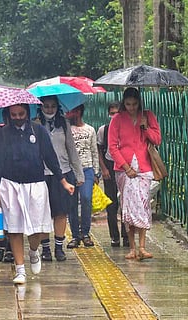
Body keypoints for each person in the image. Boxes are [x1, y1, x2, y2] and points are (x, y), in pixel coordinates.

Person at [0, 103, 75, 284]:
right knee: (14, 228)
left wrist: (63, 181)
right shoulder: (2, 134)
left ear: (27, 113)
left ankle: (33, 251)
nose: (17, 117)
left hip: (36, 184)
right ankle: (20, 269)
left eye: (21, 113)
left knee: (37, 228)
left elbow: (51, 158)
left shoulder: (38, 131)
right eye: (13, 115)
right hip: (10, 184)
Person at [107, 87, 161, 260]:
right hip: (124, 170)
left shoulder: (148, 116)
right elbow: (112, 147)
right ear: (124, 103)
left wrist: (146, 128)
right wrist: (126, 167)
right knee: (129, 207)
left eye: (135, 104)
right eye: (128, 104)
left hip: (144, 168)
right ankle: (131, 247)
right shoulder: (117, 119)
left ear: (139, 103)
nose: (132, 107)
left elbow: (157, 139)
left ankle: (143, 246)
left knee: (143, 205)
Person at [35, 96, 84, 262]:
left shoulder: (63, 124)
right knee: (43, 213)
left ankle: (59, 247)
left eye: (52, 106)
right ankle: (46, 248)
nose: (49, 109)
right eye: (46, 106)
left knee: (61, 212)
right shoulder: (35, 124)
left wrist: (79, 174)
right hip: (41, 174)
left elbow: (71, 150)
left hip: (63, 173)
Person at [66, 104, 100, 248]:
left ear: (78, 111)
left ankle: (85, 233)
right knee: (71, 203)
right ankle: (75, 235)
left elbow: (94, 150)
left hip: (87, 169)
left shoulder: (90, 129)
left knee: (86, 199)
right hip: (70, 170)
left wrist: (96, 171)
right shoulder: (66, 130)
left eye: (72, 111)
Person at [97, 102, 129, 248]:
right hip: (109, 166)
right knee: (111, 204)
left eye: (117, 113)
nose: (114, 116)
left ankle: (126, 235)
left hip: (124, 167)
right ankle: (114, 236)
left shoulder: (127, 129)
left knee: (126, 202)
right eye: (112, 113)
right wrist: (103, 169)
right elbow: (99, 151)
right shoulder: (103, 130)